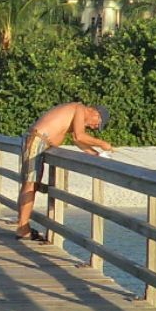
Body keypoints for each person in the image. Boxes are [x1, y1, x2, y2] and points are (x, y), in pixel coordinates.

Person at [14, 102, 114, 241]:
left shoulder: (75, 113)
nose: (94, 127)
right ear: (96, 113)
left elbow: (76, 140)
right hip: (38, 140)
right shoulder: (79, 108)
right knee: (30, 184)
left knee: (32, 184)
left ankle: (23, 226)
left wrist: (96, 155)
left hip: (39, 141)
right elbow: (80, 136)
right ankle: (22, 228)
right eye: (97, 124)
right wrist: (103, 144)